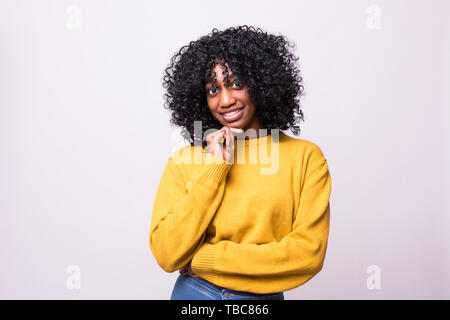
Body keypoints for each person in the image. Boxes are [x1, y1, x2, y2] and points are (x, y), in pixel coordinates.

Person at [149, 25, 332, 300]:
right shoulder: (184, 160)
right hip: (196, 295)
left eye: (236, 84)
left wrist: (202, 261)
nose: (225, 100)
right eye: (213, 90)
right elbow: (166, 253)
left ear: (260, 84)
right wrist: (214, 170)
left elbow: (307, 254)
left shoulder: (305, 158)